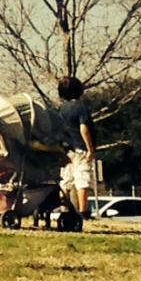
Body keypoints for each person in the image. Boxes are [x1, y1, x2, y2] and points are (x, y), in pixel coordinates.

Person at [57, 75, 95, 216]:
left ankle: (64, 209)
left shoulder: (61, 109)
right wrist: (90, 149)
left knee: (66, 180)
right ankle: (83, 211)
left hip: (67, 149)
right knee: (82, 179)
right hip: (81, 149)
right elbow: (83, 128)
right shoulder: (81, 107)